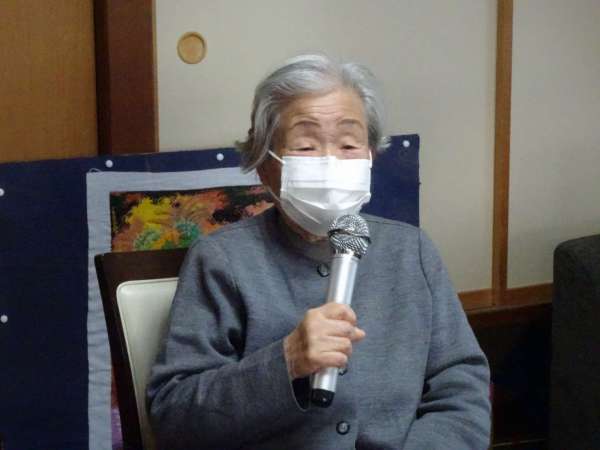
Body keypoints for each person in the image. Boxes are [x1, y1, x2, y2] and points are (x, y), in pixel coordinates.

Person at [147, 54, 491, 449]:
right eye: (306, 145)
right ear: (265, 165)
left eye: (349, 144)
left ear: (371, 157)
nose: (330, 161)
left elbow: (461, 390)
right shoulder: (222, 261)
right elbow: (174, 417)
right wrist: (286, 361)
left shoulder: (411, 252)